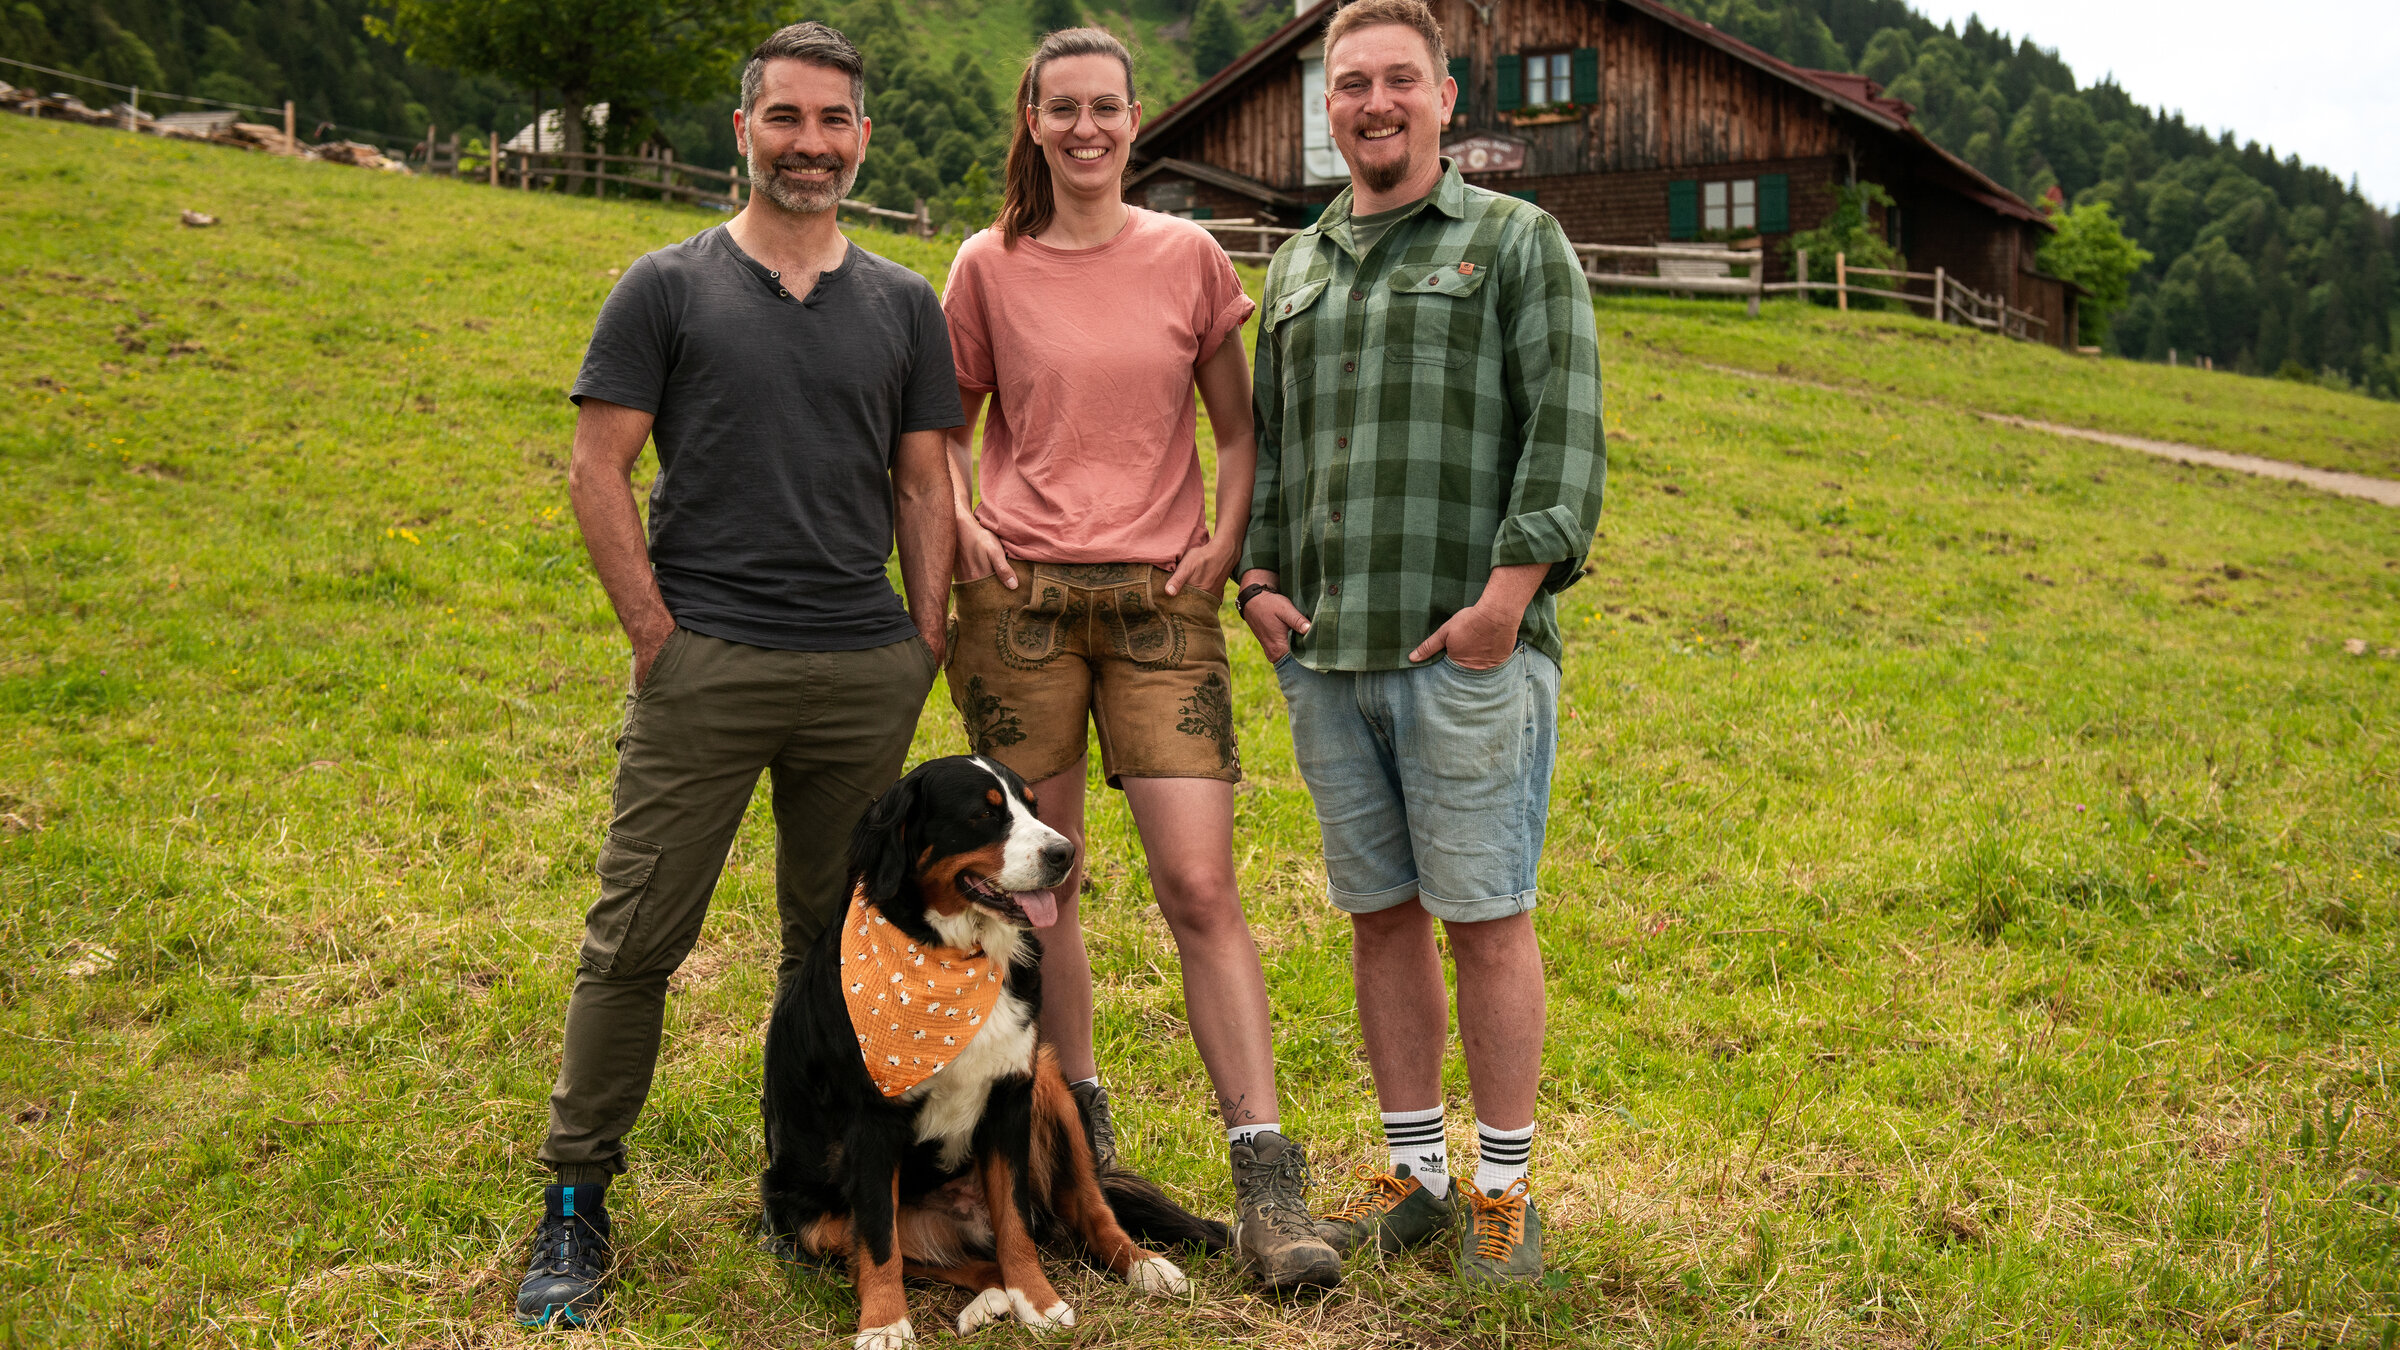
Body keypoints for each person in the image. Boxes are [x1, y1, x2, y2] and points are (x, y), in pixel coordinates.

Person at [515, 22, 961, 1327]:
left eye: (833, 121)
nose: (809, 144)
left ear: (861, 137)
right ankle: (575, 1199)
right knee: (637, 937)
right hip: (706, 664)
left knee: (832, 952)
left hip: (860, 671)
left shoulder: (904, 303)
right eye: (786, 118)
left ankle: (808, 1179)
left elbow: (925, 482)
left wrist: (923, 639)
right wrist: (655, 635)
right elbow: (598, 468)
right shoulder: (665, 286)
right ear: (745, 130)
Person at [937, 26, 1342, 1292]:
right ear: (1034, 119)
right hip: (1022, 608)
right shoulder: (987, 264)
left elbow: (1238, 430)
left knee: (1199, 885)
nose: (1086, 128)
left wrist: (1225, 541)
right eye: (1062, 108)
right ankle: (1083, 1158)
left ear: (1133, 116)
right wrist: (963, 525)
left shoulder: (1187, 255)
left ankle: (1267, 1182)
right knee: (1039, 896)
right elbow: (945, 427)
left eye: (1105, 107)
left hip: (1163, 608)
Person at [1235, 0, 1605, 1284]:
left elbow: (1564, 431)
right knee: (1380, 916)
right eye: (1352, 84)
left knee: (1487, 915)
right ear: (1328, 106)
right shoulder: (1295, 266)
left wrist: (1505, 604)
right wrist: (1259, 579)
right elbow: (1272, 447)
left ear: (1445, 99)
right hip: (1330, 655)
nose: (1375, 103)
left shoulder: (1514, 240)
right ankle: (1418, 1178)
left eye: (1400, 80)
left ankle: (1503, 1189)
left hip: (1467, 652)